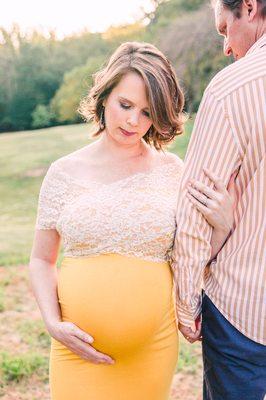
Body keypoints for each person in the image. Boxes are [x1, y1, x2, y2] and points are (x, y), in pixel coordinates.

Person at [29, 41, 235, 400]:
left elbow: (193, 254)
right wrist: (52, 322)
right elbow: (40, 259)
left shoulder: (173, 171)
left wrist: (221, 224)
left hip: (152, 348)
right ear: (105, 95)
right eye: (125, 105)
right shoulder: (63, 173)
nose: (132, 121)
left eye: (147, 112)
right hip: (77, 352)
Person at [172, 0, 266, 399]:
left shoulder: (233, 88)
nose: (226, 47)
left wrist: (186, 304)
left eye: (224, 28)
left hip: (244, 310)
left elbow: (194, 210)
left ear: (248, 6)